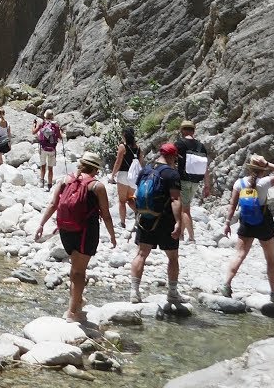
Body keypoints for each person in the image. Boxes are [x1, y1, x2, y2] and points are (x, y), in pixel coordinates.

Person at [33, 150, 117, 322]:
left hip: (66, 230)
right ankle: (72, 313)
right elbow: (106, 214)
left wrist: (41, 224)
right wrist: (112, 235)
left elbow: (53, 203)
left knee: (74, 267)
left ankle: (77, 302)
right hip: (86, 231)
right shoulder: (97, 186)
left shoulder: (65, 180)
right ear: (95, 169)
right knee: (79, 272)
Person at [221, 155, 274, 300]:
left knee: (239, 255)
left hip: (246, 222)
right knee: (270, 258)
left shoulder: (239, 183)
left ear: (249, 168)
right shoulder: (265, 182)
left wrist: (227, 223)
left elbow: (232, 205)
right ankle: (273, 292)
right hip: (264, 221)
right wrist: (268, 163)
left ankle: (226, 285)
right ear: (262, 170)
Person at [127, 143, 184, 304]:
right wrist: (179, 223)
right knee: (173, 257)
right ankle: (172, 292)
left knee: (141, 254)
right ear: (172, 157)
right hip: (165, 220)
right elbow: (175, 199)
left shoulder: (145, 170)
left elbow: (137, 195)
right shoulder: (172, 174)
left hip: (146, 220)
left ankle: (134, 292)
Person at [173, 119, 211, 243]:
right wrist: (207, 185)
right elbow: (206, 167)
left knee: (185, 210)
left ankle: (191, 237)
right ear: (193, 131)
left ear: (182, 130)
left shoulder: (179, 144)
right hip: (195, 181)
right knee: (186, 206)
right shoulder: (201, 146)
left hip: (183, 180)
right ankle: (181, 235)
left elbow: (172, 161)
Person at [110, 125, 143, 229]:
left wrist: (113, 175)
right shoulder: (138, 148)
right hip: (134, 177)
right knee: (130, 199)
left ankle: (123, 222)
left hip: (123, 175)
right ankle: (138, 212)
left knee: (122, 201)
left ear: (124, 135)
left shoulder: (122, 147)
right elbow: (141, 163)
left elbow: (118, 161)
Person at [32, 110, 63, 190]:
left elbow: (33, 132)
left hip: (43, 148)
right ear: (52, 116)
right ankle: (49, 185)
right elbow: (60, 137)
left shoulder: (42, 124)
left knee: (43, 166)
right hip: (52, 149)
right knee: (50, 168)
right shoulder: (55, 125)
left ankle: (41, 182)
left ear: (45, 116)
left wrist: (34, 125)